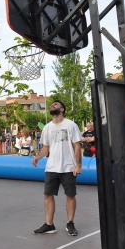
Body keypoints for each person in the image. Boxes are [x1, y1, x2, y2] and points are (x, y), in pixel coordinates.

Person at [31, 100, 82, 236]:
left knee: (70, 196)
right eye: (51, 105)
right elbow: (46, 148)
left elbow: (77, 146)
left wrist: (78, 165)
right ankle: (49, 225)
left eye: (55, 105)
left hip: (68, 167)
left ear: (62, 109)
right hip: (52, 167)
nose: (52, 106)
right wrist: (37, 157)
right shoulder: (47, 127)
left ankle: (70, 223)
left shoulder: (71, 125)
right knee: (48, 195)